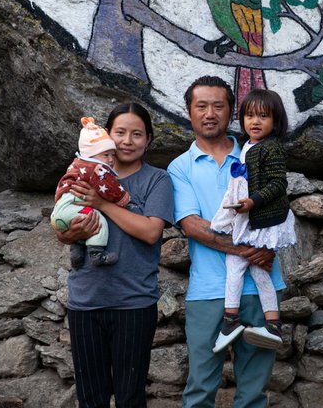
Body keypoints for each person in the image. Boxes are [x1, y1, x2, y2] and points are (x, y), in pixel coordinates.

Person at [168, 76, 286, 408]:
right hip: (208, 291)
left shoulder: (257, 153)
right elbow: (192, 225)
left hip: (262, 291)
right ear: (189, 112)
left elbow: (277, 203)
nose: (210, 113)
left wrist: (269, 243)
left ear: (232, 111)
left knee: (253, 394)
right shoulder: (180, 167)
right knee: (201, 389)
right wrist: (249, 250)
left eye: (218, 106)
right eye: (201, 106)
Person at [55, 103, 173, 408]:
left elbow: (150, 232)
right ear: (107, 135)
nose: (127, 141)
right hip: (86, 299)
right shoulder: (83, 173)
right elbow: (62, 228)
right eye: (120, 132)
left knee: (130, 396)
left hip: (133, 301)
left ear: (148, 139)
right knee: (90, 397)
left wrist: (103, 204)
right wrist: (71, 232)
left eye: (137, 134)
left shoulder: (156, 180)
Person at [210, 89, 296, 353]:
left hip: (260, 217)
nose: (255, 121)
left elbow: (278, 183)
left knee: (235, 263)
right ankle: (272, 323)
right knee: (259, 271)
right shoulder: (249, 146)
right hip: (249, 213)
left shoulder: (270, 148)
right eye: (249, 115)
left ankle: (230, 320)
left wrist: (253, 201)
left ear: (275, 121)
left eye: (263, 116)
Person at [51, 116, 131, 268]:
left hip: (61, 211)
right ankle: (97, 254)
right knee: (97, 221)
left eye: (111, 155)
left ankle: (77, 251)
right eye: (105, 155)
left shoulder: (77, 164)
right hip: (73, 208)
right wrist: (123, 199)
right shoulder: (96, 168)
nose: (110, 160)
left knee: (83, 221)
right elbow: (110, 188)